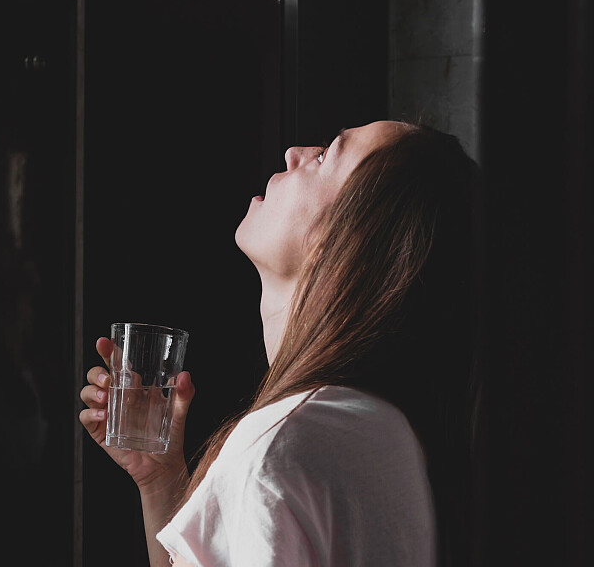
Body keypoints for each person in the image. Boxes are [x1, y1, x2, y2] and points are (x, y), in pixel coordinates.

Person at [79, 120, 479, 567]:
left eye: (326, 156)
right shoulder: (386, 433)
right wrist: (161, 481)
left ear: (347, 242)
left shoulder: (279, 447)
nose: (294, 153)